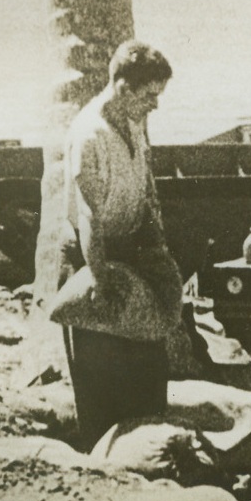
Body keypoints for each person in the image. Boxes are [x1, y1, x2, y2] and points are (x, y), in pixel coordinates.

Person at [53, 40, 187, 450]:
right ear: (124, 89)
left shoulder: (131, 120)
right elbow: (90, 216)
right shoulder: (90, 134)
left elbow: (145, 184)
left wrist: (156, 245)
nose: (155, 105)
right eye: (150, 96)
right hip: (93, 258)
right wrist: (99, 280)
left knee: (148, 374)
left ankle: (145, 456)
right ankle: (103, 458)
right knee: (102, 383)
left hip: (130, 252)